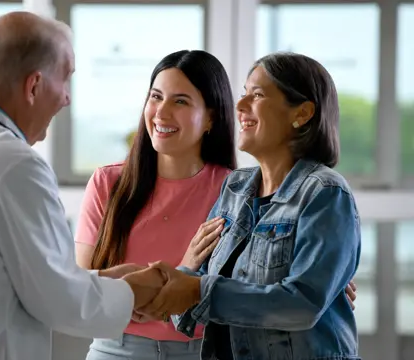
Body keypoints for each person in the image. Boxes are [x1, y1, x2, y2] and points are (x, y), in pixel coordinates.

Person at [75, 50, 357, 359]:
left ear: (301, 114)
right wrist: (160, 283)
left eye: (258, 94)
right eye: (243, 94)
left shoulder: (324, 191)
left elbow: (300, 302)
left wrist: (327, 278)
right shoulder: (238, 189)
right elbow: (209, 282)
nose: (240, 106)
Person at [0, 11, 164, 360]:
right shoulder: (12, 164)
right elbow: (58, 300)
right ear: (34, 86)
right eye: (65, 79)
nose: (67, 98)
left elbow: (0, 270)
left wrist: (103, 280)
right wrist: (134, 291)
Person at [75, 50, 236, 360]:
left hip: (203, 353)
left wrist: (134, 291)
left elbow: (257, 286)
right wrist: (183, 274)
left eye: (180, 101)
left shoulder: (237, 190)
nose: (161, 113)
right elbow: (82, 289)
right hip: (115, 350)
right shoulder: (107, 183)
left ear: (211, 119)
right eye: (156, 97)